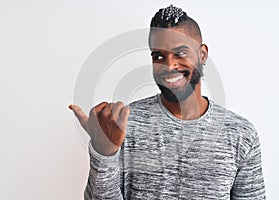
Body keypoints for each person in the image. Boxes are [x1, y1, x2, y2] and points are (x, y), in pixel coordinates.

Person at [69, 5, 266, 199]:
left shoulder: (240, 133)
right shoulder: (122, 124)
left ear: (202, 54)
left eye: (180, 53)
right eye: (159, 56)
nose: (169, 65)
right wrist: (104, 154)